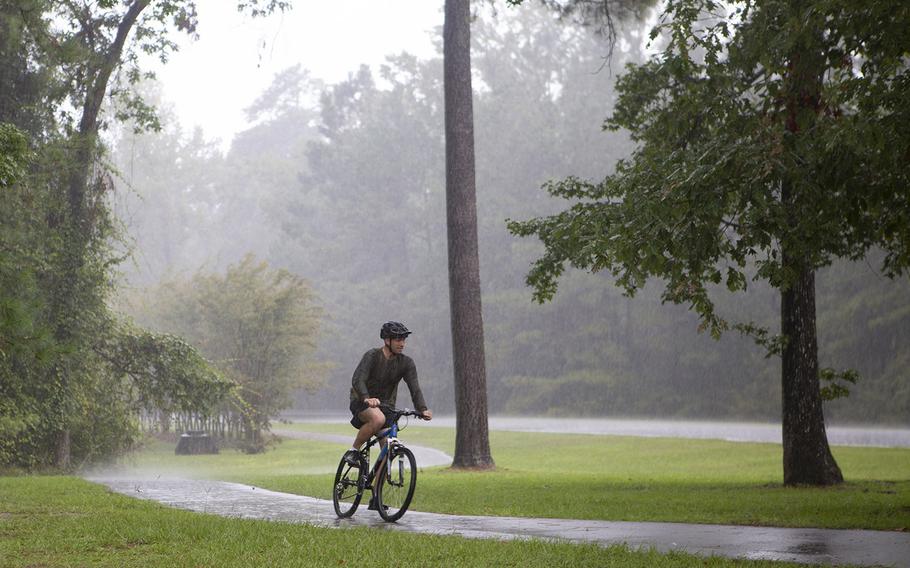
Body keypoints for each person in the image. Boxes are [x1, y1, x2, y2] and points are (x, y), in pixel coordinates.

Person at [345, 321, 432, 510]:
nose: (402, 343)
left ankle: (375, 497)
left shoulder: (406, 363)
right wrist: (367, 398)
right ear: (387, 340)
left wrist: (422, 408)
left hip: (387, 407)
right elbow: (357, 379)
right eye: (398, 339)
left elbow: (414, 387)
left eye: (404, 339)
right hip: (362, 401)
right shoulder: (372, 356)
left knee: (388, 451)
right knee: (377, 419)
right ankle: (353, 450)